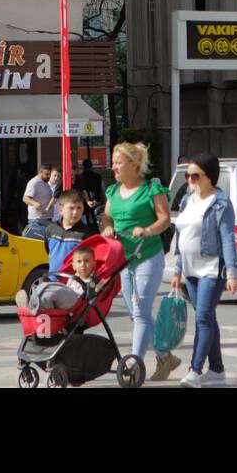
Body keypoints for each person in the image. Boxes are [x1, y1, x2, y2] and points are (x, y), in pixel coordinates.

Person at [101, 141, 178, 382]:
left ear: (134, 165)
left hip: (147, 257)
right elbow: (106, 220)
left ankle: (133, 365)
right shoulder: (113, 191)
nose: (114, 166)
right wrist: (107, 229)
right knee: (136, 315)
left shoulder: (151, 190)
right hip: (123, 259)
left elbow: (164, 220)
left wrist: (146, 230)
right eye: (114, 162)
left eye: (118, 162)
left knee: (141, 313)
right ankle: (165, 356)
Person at [171, 153, 237, 388]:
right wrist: (177, 269)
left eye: (195, 176)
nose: (190, 180)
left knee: (202, 318)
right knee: (208, 317)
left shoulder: (221, 203)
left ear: (209, 177)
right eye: (187, 176)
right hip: (190, 268)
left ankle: (195, 369)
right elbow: (181, 236)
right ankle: (217, 370)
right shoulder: (186, 200)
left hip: (212, 267)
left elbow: (228, 238)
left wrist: (232, 272)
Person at [17, 245, 100, 315]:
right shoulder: (72, 277)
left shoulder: (92, 281)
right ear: (73, 266)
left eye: (87, 261)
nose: (83, 265)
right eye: (79, 261)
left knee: (53, 291)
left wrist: (96, 287)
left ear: (94, 264)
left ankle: (31, 307)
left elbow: (97, 291)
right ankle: (30, 305)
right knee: (45, 288)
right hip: (65, 301)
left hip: (77, 303)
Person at [45, 189, 92, 272]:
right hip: (52, 280)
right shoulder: (51, 229)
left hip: (73, 282)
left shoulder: (86, 234)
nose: (75, 212)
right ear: (60, 210)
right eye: (71, 208)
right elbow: (48, 251)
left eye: (79, 208)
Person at [22, 164, 55, 240]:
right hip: (37, 219)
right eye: (46, 174)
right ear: (40, 172)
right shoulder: (34, 182)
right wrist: (35, 203)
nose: (49, 176)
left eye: (49, 174)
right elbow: (25, 198)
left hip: (46, 218)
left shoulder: (45, 183)